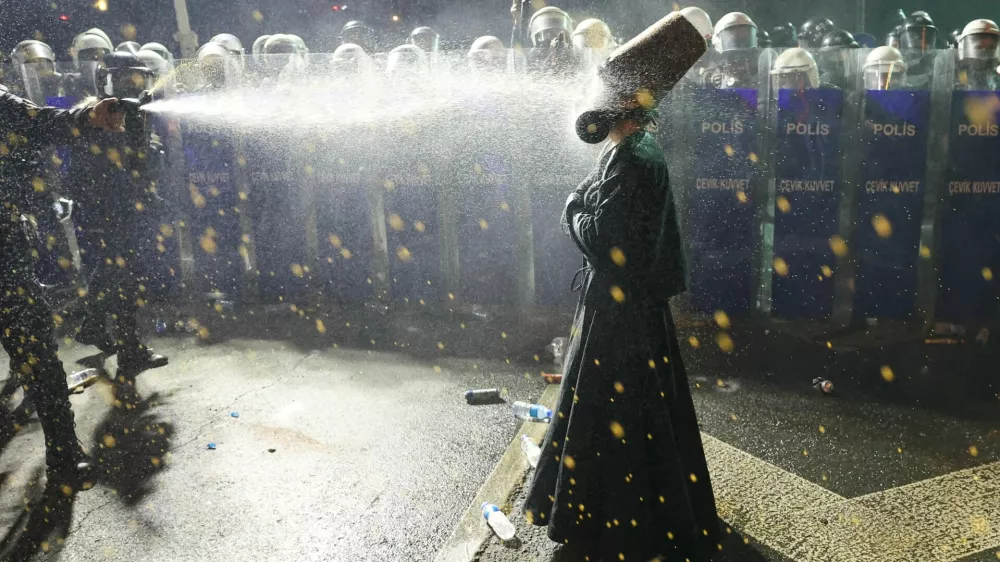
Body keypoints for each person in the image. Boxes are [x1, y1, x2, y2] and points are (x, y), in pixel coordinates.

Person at [527, 12, 718, 562]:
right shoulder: (634, 150)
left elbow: (605, 244)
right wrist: (584, 199)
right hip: (635, 309)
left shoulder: (630, 159)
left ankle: (611, 520)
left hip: (619, 313)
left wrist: (570, 213)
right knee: (645, 411)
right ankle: (652, 511)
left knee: (609, 412)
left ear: (619, 103)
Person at [0, 81, 122, 491]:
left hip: (4, 249)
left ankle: (64, 452)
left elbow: (37, 122)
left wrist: (86, 117)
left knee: (36, 352)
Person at [67, 52, 169, 375]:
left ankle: (94, 325)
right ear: (108, 81)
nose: (134, 87)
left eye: (138, 80)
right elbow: (105, 171)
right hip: (111, 212)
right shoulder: (98, 119)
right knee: (126, 279)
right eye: (128, 80)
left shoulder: (126, 116)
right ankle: (130, 352)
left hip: (120, 211)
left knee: (112, 271)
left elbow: (143, 168)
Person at [705, 12, 759, 89]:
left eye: (745, 39)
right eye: (734, 40)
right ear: (717, 41)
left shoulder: (761, 72)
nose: (741, 46)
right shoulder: (710, 76)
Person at [527, 6, 577, 75]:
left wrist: (562, 56)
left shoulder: (572, 53)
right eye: (548, 33)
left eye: (557, 32)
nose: (554, 39)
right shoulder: (535, 55)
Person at [956, 19, 1000, 90]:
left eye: (991, 48)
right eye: (979, 48)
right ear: (963, 48)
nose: (985, 56)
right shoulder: (954, 76)